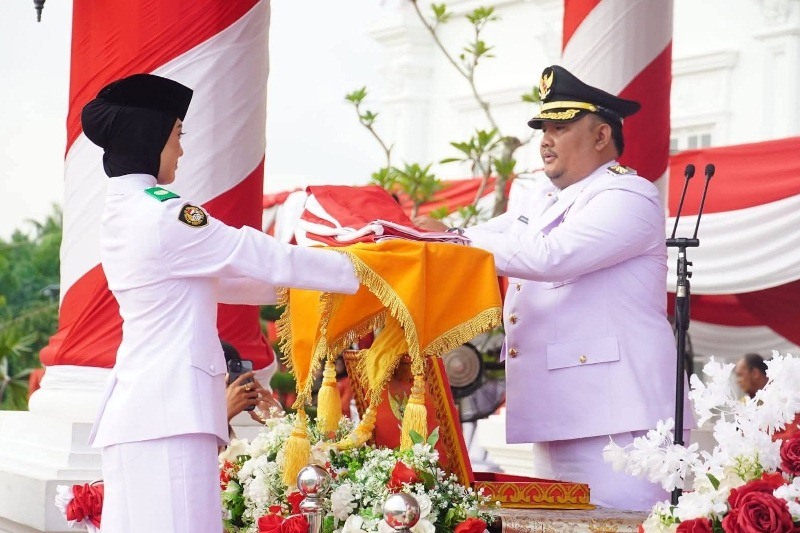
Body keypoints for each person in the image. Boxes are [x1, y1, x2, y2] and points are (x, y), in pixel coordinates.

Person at [80, 73, 360, 532]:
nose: (181, 150)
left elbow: (229, 279)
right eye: (176, 135)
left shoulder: (122, 212)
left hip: (141, 413)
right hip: (170, 419)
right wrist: (360, 271)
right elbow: (256, 254)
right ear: (150, 136)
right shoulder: (165, 215)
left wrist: (311, 289)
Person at [415, 65, 691, 510]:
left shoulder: (629, 196)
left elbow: (548, 255)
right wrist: (437, 237)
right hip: (561, 412)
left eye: (560, 127)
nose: (545, 139)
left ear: (601, 136)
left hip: (621, 423)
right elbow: (478, 239)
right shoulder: (542, 202)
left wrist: (452, 236)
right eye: (543, 127)